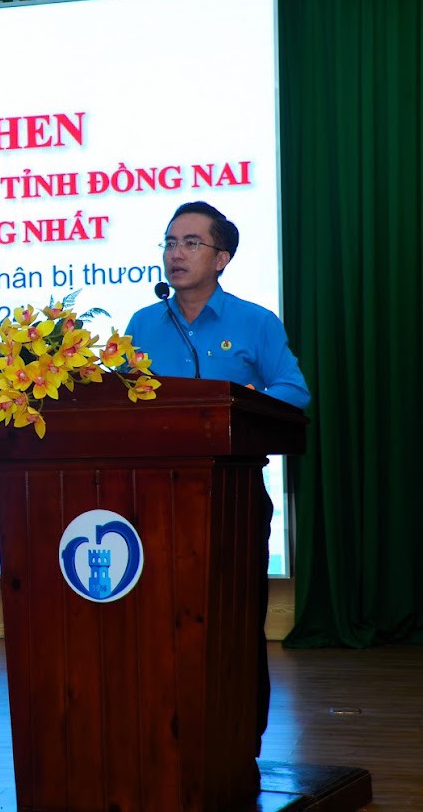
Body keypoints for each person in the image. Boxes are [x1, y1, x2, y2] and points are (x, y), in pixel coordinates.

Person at [125, 200, 310, 757]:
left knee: (233, 621)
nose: (175, 254)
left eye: (190, 243)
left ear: (221, 257)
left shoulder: (255, 322)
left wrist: (246, 402)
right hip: (153, 500)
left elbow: (294, 392)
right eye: (169, 242)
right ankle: (162, 732)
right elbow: (121, 400)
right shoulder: (142, 325)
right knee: (156, 622)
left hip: (232, 497)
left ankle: (238, 737)